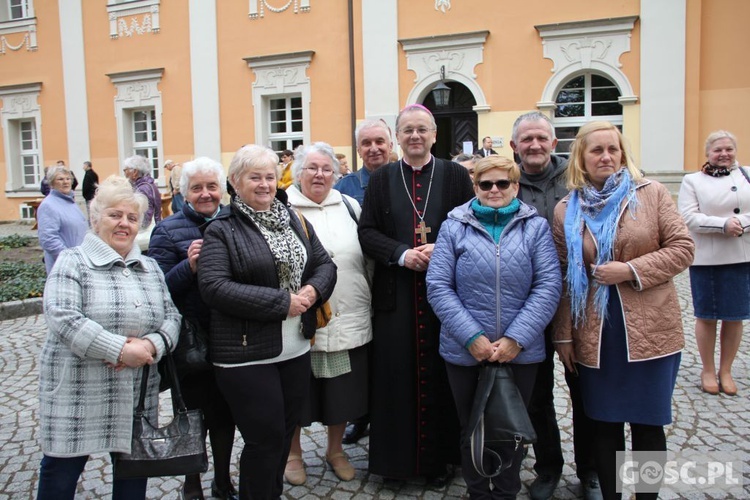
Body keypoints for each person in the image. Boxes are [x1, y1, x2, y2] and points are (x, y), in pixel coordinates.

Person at [552, 121, 694, 500]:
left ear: (623, 153)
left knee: (648, 423)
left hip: (649, 329)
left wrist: (630, 270)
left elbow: (683, 248)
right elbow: (564, 276)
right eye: (596, 150)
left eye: (613, 149)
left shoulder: (651, 194)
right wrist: (563, 333)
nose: (606, 156)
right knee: (605, 423)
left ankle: (647, 495)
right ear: (581, 157)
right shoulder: (566, 209)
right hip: (595, 333)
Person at [198, 144, 337, 499]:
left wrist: (310, 293)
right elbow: (214, 287)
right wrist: (282, 302)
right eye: (254, 177)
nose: (263, 185)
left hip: (294, 348)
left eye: (270, 177)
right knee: (265, 440)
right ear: (235, 182)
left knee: (282, 434)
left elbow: (324, 265)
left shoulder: (292, 218)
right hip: (246, 355)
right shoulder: (222, 229)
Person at [37, 176, 181, 500]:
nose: (124, 224)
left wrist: (150, 346)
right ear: (95, 218)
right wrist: (119, 350)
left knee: (132, 484)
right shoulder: (72, 261)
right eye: (115, 215)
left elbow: (173, 318)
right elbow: (64, 317)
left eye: (132, 218)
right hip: (78, 393)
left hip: (135, 396)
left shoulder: (151, 268)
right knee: (60, 479)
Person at [427, 155, 562, 498]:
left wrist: (516, 338)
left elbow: (548, 285)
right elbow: (439, 285)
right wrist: (472, 336)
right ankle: (477, 491)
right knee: (471, 427)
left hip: (520, 350)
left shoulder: (535, 226)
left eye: (503, 183)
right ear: (475, 187)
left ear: (516, 186)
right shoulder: (453, 226)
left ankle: (505, 491)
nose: (494, 190)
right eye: (485, 184)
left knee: (510, 430)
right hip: (465, 349)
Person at [358, 103, 473, 485]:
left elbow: (473, 226)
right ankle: (395, 465)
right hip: (397, 294)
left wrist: (442, 248)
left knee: (443, 377)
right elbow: (368, 233)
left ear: (434, 135)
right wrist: (402, 254)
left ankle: (440, 462)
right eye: (407, 130)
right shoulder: (382, 179)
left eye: (422, 130)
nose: (415, 137)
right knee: (395, 377)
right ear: (397, 137)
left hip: (447, 295)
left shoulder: (456, 175)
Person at [510, 111, 600, 500]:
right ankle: (548, 466)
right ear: (514, 146)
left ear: (554, 143)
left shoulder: (578, 180)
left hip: (580, 303)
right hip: (526, 304)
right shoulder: (503, 182)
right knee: (535, 392)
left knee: (586, 390)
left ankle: (592, 471)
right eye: (526, 139)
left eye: (541, 138)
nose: (534, 145)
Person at [149, 157, 238, 500]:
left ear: (222, 190)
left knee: (225, 415)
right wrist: (189, 266)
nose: (205, 194)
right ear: (184, 193)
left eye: (211, 187)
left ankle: (222, 479)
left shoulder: (234, 222)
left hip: (231, 337)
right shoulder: (167, 230)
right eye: (197, 188)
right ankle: (191, 483)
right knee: (193, 417)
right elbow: (158, 290)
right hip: (190, 343)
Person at [284, 142, 373, 484]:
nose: (319, 174)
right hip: (299, 320)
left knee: (342, 390)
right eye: (312, 168)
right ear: (298, 171)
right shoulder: (282, 207)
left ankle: (335, 450)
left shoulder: (350, 206)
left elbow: (367, 258)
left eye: (326, 169)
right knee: (296, 390)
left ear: (336, 174)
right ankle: (293, 454)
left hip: (349, 314)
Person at [678, 130, 750, 396]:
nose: (724, 154)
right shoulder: (693, 180)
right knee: (706, 315)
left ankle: (726, 370)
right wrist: (722, 224)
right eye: (718, 149)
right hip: (707, 258)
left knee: (735, 316)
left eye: (729, 149)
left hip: (740, 254)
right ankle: (708, 369)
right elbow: (687, 216)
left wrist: (740, 223)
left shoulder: (746, 175)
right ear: (708, 153)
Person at [37, 166, 88, 274]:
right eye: (60, 179)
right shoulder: (48, 205)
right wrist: (69, 259)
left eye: (68, 178)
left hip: (79, 263)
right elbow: (48, 239)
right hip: (64, 266)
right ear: (51, 183)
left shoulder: (70, 202)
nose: (65, 182)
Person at [334, 119, 394, 207]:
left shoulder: (406, 182)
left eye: (379, 142)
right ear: (359, 151)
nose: (374, 149)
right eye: (367, 143)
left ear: (390, 146)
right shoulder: (343, 188)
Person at [123, 155, 162, 251]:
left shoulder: (142, 189)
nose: (124, 173)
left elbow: (145, 219)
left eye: (126, 170)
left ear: (135, 172)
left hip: (146, 238)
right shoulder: (148, 185)